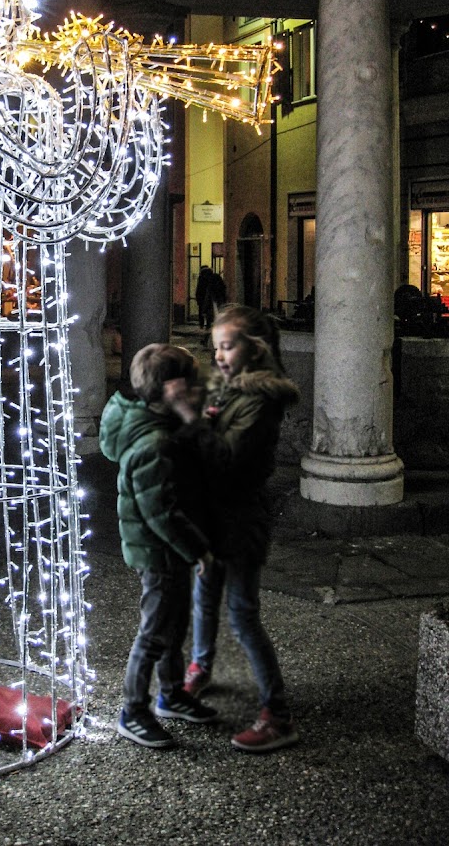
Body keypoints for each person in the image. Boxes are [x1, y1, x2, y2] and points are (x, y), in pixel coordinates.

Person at [163, 304, 301, 753]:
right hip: (211, 515)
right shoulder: (227, 388)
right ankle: (200, 669)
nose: (218, 355)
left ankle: (277, 714)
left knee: (242, 614)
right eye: (215, 346)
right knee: (205, 594)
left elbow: (228, 460)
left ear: (254, 349)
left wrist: (192, 421)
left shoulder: (261, 400)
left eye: (228, 345)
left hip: (241, 518)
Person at [99, 343, 218, 749]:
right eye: (189, 383)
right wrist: (197, 550)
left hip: (167, 549)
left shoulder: (154, 424)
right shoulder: (153, 444)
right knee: (153, 632)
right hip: (159, 550)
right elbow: (161, 512)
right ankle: (132, 711)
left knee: (172, 624)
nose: (197, 389)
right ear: (170, 387)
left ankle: (170, 694)